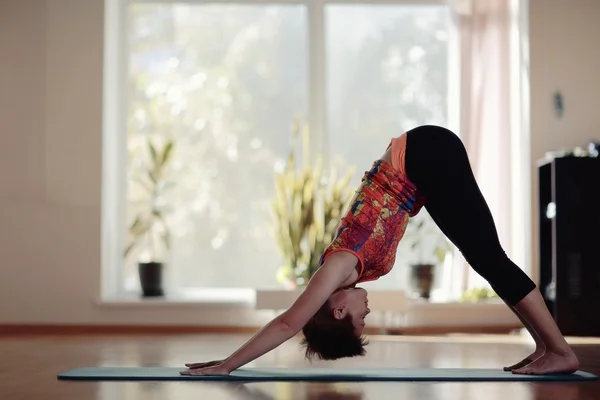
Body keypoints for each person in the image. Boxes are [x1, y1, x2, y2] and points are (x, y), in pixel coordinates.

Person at [180, 125, 580, 377]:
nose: (367, 315)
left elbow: (288, 324)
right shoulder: (352, 271)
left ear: (338, 311)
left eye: (358, 321)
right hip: (422, 171)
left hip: (425, 156)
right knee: (486, 261)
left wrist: (228, 364)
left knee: (490, 260)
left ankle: (560, 350)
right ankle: (546, 348)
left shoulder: (337, 267)